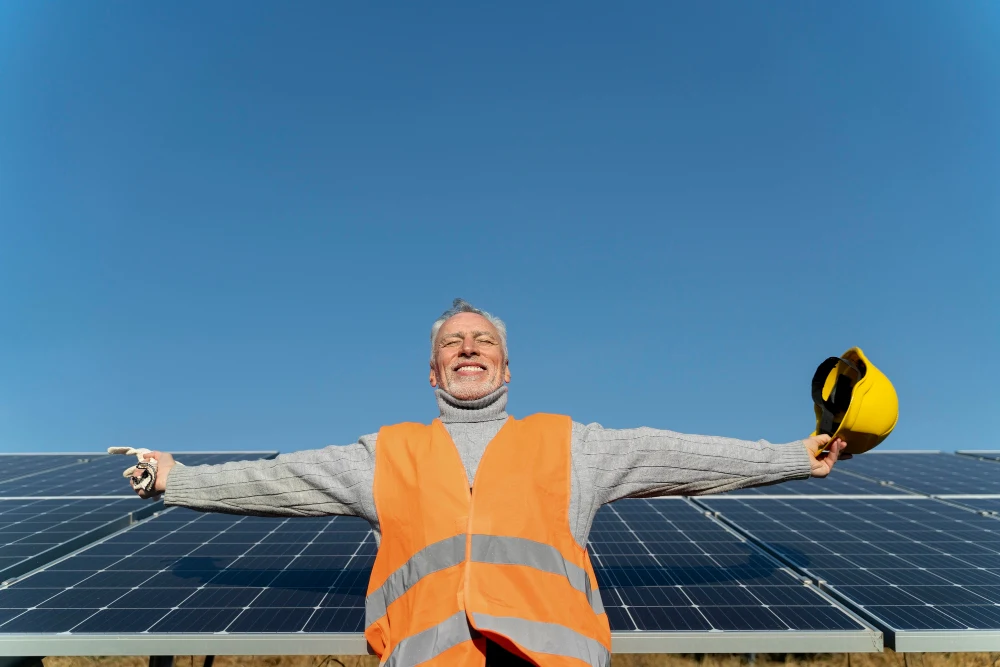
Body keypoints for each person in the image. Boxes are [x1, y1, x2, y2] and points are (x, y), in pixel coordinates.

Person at [126, 299, 847, 667]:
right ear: (434, 372)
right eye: (452, 342)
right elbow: (278, 479)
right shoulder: (388, 452)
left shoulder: (572, 444)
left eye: (484, 341)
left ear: (506, 369)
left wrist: (791, 456)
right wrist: (177, 480)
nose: (468, 347)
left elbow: (680, 455)